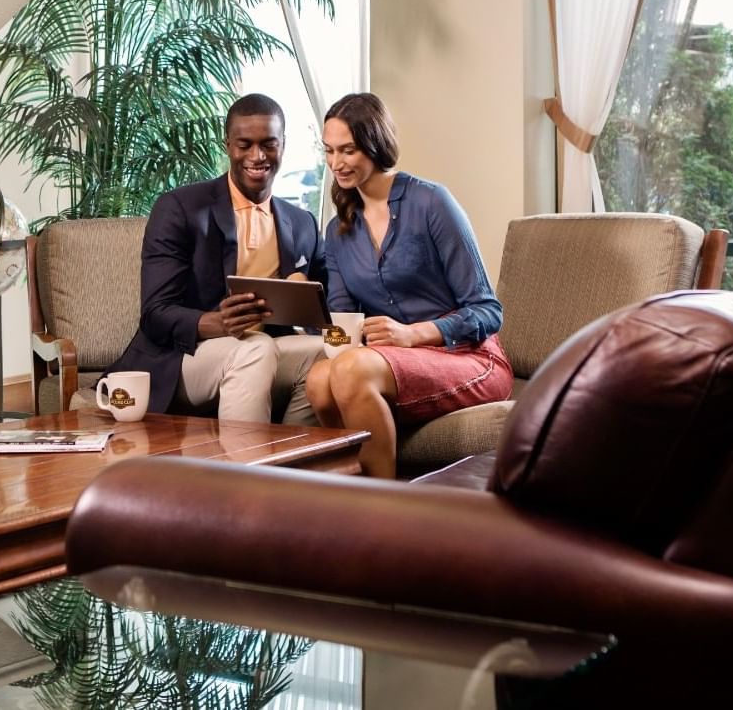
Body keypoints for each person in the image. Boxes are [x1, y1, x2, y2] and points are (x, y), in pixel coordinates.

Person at [306, 92, 511, 478]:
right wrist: (320, 328)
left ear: (375, 143)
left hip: (470, 358)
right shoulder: (338, 230)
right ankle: (348, 500)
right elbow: (341, 322)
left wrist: (413, 334)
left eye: (348, 150)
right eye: (329, 151)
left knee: (349, 371)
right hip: (391, 364)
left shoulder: (431, 202)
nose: (336, 163)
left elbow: (488, 310)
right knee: (319, 379)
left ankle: (383, 511)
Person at [101, 93, 328, 424]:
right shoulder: (180, 208)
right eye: (245, 144)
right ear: (227, 145)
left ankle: (289, 465)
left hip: (263, 348)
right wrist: (214, 323)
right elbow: (155, 314)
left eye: (269, 144)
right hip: (183, 357)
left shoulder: (301, 222)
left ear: (283, 144)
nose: (257, 155)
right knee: (255, 350)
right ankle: (241, 474)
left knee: (328, 354)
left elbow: (324, 305)